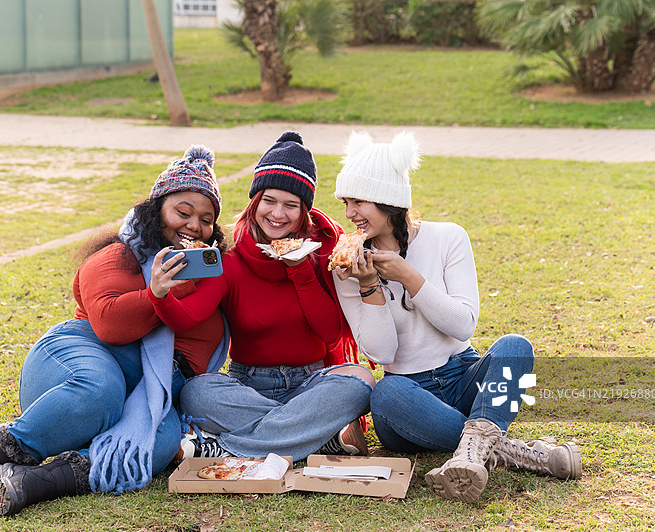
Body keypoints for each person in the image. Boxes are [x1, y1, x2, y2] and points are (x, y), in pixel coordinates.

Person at [0, 145, 230, 515]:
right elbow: (109, 325)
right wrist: (157, 292)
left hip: (152, 387)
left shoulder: (207, 273)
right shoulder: (118, 256)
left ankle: (36, 481)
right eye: (183, 213)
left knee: (158, 442)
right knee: (101, 389)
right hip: (78, 356)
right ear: (156, 211)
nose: (195, 226)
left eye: (206, 220)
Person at [331, 131, 582, 503]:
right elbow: (382, 353)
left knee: (515, 347)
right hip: (407, 399)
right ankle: (517, 453)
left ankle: (472, 453)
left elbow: (463, 325)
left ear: (388, 200)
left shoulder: (448, 238)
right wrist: (369, 286)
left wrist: (408, 276)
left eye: (358, 201)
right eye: (346, 202)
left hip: (462, 376)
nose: (349, 214)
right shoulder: (348, 266)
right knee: (385, 393)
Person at [149, 132, 375, 461]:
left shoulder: (322, 252)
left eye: (291, 205)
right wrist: (159, 295)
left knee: (361, 381)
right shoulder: (230, 258)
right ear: (255, 202)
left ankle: (225, 447)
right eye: (269, 201)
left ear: (304, 212)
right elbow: (188, 317)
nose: (278, 214)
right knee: (196, 392)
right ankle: (316, 436)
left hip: (310, 383)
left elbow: (330, 333)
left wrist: (299, 269)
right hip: (248, 386)